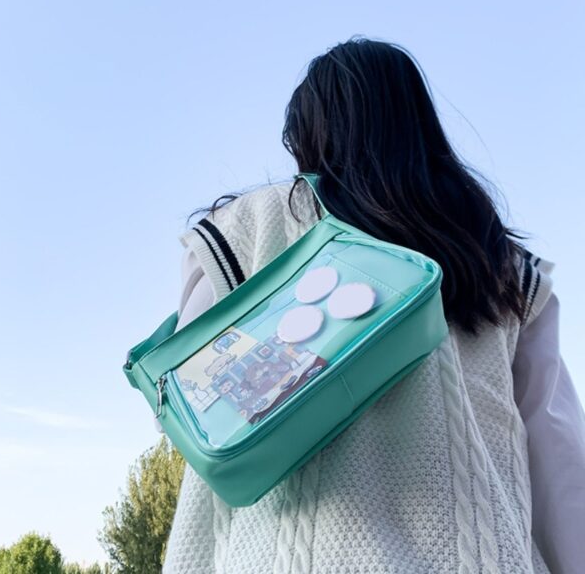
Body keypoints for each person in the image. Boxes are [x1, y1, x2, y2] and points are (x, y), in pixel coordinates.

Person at [161, 37, 585, 573]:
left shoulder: (248, 228)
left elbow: (183, 398)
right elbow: (559, 453)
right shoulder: (501, 263)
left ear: (309, 135)